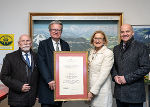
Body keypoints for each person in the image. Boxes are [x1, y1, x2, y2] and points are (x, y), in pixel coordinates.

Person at [111, 24, 150, 107]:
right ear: (120, 34)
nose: (125, 34)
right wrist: (115, 76)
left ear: (133, 33)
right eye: (122, 32)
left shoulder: (141, 47)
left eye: (127, 31)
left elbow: (145, 68)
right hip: (120, 94)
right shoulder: (116, 49)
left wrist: (126, 78)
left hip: (135, 95)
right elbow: (113, 66)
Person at [37, 20, 70, 107]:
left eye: (58, 30)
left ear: (61, 31)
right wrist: (49, 80)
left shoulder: (66, 45)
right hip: (47, 85)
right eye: (53, 29)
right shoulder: (43, 44)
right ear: (49, 31)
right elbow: (41, 63)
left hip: (61, 87)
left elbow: (68, 64)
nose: (56, 31)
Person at [0, 34, 39, 107]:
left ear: (31, 43)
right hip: (16, 99)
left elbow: (38, 76)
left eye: (27, 41)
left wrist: (37, 94)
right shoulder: (10, 57)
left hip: (31, 99)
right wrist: (19, 86)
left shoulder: (36, 56)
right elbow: (3, 76)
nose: (25, 43)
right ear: (19, 44)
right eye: (23, 41)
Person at [88, 31, 114, 107]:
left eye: (100, 38)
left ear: (104, 41)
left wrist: (92, 92)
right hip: (91, 89)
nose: (97, 40)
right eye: (95, 38)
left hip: (101, 91)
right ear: (93, 40)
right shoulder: (92, 52)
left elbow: (103, 75)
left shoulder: (108, 53)